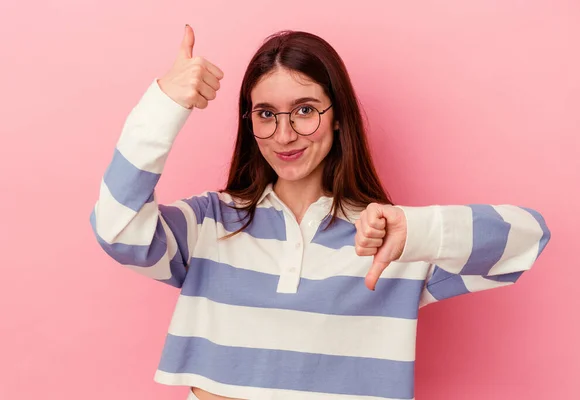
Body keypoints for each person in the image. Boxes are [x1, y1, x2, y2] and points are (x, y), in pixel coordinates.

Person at [90, 24, 551, 400]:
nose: (285, 135)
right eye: (266, 114)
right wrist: (164, 104)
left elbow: (528, 239)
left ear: (337, 116)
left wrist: (418, 230)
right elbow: (117, 228)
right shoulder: (210, 224)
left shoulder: (388, 237)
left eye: (305, 110)